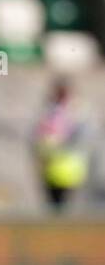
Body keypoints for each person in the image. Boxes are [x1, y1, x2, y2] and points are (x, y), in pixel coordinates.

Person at [34, 82, 88, 212]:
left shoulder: (54, 113)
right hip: (61, 167)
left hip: (60, 166)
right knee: (60, 208)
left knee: (58, 208)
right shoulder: (71, 112)